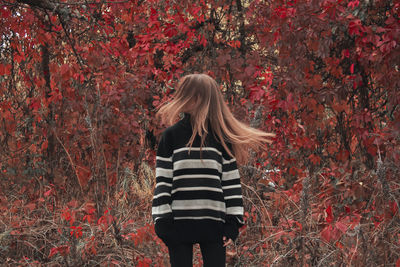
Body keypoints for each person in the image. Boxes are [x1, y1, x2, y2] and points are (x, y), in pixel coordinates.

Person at [151, 73, 275, 267]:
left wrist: (232, 223)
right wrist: (162, 220)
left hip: (214, 225)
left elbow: (231, 183)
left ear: (201, 98)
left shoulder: (221, 138)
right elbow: (163, 182)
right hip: (178, 224)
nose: (183, 98)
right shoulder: (171, 137)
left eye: (189, 94)